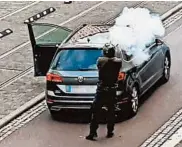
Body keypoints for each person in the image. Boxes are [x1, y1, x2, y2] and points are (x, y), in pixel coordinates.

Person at [85, 43, 122, 141]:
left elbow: (103, 62)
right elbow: (115, 59)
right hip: (112, 90)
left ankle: (92, 133)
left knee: (96, 111)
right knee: (111, 111)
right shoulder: (118, 62)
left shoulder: (100, 60)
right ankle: (110, 131)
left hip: (101, 90)